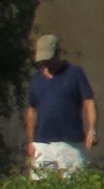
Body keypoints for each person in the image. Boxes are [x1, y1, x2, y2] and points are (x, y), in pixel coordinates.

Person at [23, 34, 96, 178]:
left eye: (49, 58)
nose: (46, 63)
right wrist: (31, 141)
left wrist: (92, 130)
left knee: (74, 188)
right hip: (42, 144)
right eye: (43, 59)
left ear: (58, 52)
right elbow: (31, 110)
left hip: (71, 142)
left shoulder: (75, 74)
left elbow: (89, 101)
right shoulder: (36, 80)